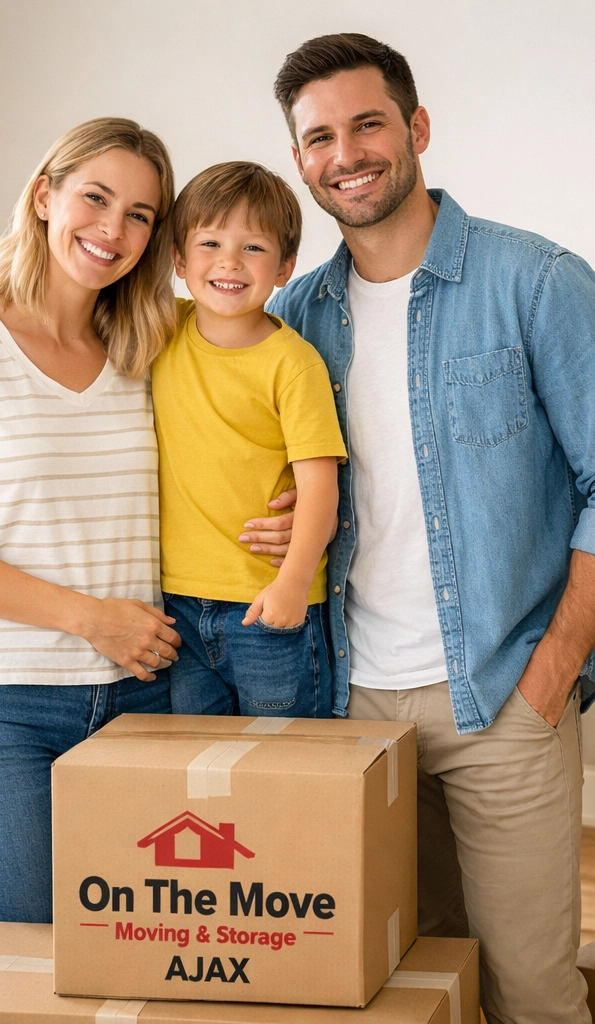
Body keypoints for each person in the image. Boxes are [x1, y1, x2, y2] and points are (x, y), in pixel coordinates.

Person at [254, 34, 595, 1024]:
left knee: (529, 992)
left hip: (500, 699)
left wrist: (552, 667)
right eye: (319, 137)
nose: (346, 153)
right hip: (349, 702)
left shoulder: (536, 281)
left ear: (417, 128)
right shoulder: (294, 314)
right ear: (299, 160)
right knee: (406, 989)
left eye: (367, 124)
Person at [0, 118, 183, 924]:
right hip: (4, 710)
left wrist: (290, 493)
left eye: (141, 214)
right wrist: (93, 621)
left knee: (143, 954)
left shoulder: (154, 348)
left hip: (143, 695)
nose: (113, 229)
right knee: (28, 962)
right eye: (95, 197)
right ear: (45, 196)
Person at [155, 161, 346, 718]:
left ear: (285, 266)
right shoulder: (163, 328)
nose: (229, 262)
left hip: (269, 607)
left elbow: (319, 489)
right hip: (178, 609)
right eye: (209, 242)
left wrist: (292, 585)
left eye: (254, 248)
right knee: (201, 776)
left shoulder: (293, 363)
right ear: (179, 259)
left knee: (284, 765)